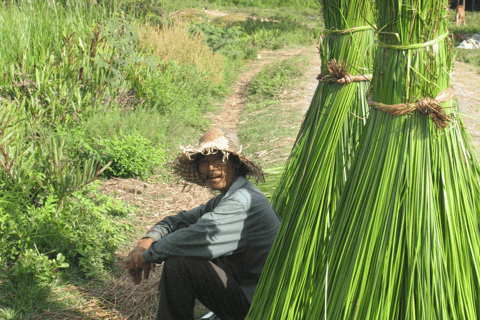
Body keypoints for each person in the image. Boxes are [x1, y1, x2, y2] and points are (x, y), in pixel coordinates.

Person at [125, 127, 281, 320]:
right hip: (242, 291)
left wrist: (148, 256)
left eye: (218, 159)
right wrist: (146, 242)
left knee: (180, 263)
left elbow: (193, 236)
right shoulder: (227, 197)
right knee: (181, 252)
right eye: (204, 162)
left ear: (235, 163)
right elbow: (179, 221)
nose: (210, 168)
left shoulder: (241, 201)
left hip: (259, 307)